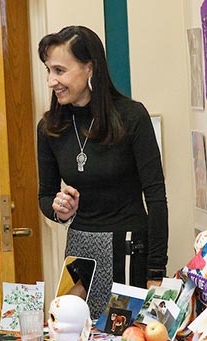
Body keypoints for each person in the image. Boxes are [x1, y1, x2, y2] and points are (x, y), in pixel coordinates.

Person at [36, 26, 169, 318]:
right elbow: (45, 196)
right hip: (80, 251)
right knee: (72, 336)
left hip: (128, 250)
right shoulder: (49, 129)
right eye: (48, 70)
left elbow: (156, 198)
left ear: (89, 68)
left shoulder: (131, 117)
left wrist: (156, 271)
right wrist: (59, 209)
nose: (51, 81)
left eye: (59, 70)